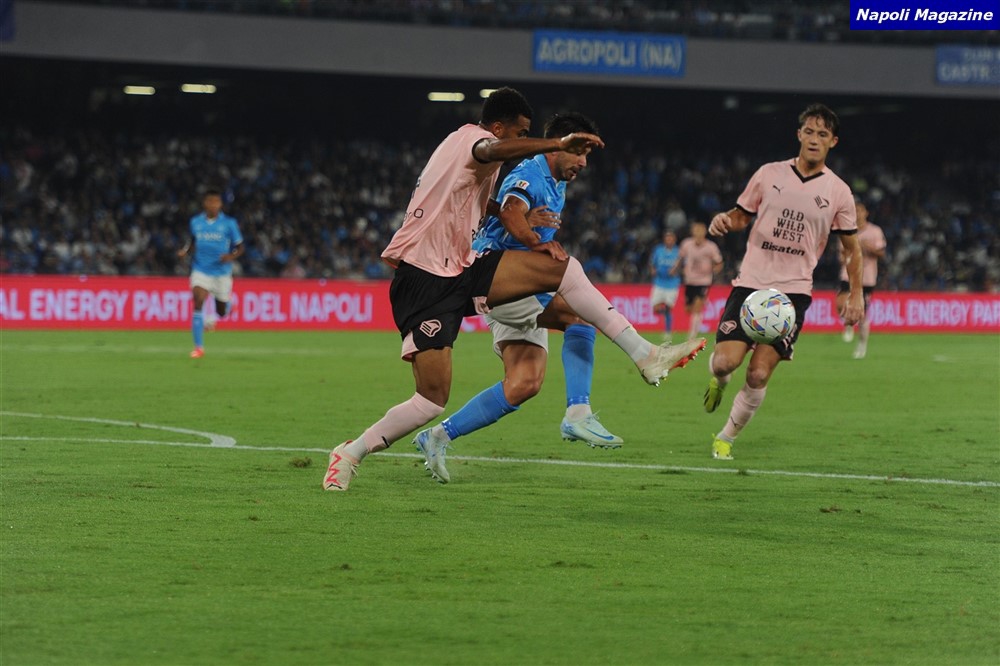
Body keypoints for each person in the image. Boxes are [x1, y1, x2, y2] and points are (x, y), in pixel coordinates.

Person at [322, 88, 705, 492]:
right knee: (430, 401)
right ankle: (350, 452)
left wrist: (516, 215)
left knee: (559, 279)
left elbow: (479, 201)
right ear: (498, 127)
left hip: (464, 268)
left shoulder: (478, 162)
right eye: (519, 133)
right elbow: (492, 152)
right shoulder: (473, 140)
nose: (521, 142)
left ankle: (645, 356)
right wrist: (556, 145)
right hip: (424, 278)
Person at [409, 112, 623, 485]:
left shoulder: (557, 180)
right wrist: (533, 241)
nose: (584, 162)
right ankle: (579, 412)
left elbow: (498, 208)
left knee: (524, 383)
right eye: (579, 152)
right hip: (503, 278)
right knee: (579, 317)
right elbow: (511, 210)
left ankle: (437, 436)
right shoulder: (530, 172)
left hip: (515, 283)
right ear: (560, 145)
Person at [701, 103, 864, 461]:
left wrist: (856, 293)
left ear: (833, 142)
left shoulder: (839, 192)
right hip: (751, 284)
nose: (815, 139)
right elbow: (741, 216)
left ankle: (725, 438)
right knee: (725, 363)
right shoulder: (768, 173)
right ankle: (720, 380)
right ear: (799, 134)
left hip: (792, 294)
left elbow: (851, 249)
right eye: (810, 131)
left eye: (823, 134)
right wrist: (725, 220)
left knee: (759, 374)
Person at [176, 188, 244, 359]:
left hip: (221, 273)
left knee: (221, 312)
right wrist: (185, 252)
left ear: (220, 204)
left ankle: (228, 306)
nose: (213, 204)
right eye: (210, 201)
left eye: (216, 201)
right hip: (201, 269)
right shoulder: (196, 222)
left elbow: (240, 247)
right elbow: (192, 242)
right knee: (198, 299)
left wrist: (230, 256)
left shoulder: (229, 223)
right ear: (204, 203)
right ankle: (198, 347)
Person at [837, 201, 886, 359]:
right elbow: (841, 255)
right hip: (848, 274)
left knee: (863, 313)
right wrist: (849, 253)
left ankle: (862, 344)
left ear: (866, 213)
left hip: (867, 277)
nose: (857, 213)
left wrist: (867, 247)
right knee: (841, 302)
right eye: (855, 210)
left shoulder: (875, 231)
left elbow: (881, 253)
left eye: (860, 210)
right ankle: (848, 324)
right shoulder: (847, 230)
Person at [673, 221, 723, 340]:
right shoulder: (686, 244)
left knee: (697, 307)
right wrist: (675, 269)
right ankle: (695, 325)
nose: (698, 234)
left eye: (701, 232)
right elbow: (680, 258)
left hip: (704, 281)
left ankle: (692, 334)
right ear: (693, 233)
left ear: (704, 233)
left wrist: (715, 270)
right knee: (688, 309)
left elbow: (719, 262)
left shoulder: (711, 247)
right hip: (689, 280)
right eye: (696, 232)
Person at [649, 230, 681, 341]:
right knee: (656, 309)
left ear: (674, 240)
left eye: (671, 238)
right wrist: (653, 270)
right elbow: (652, 263)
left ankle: (668, 332)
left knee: (668, 308)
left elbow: (682, 265)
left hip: (672, 284)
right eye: (667, 238)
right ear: (664, 239)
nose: (669, 240)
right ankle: (667, 316)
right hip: (659, 283)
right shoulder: (658, 250)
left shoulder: (678, 252)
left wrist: (676, 270)